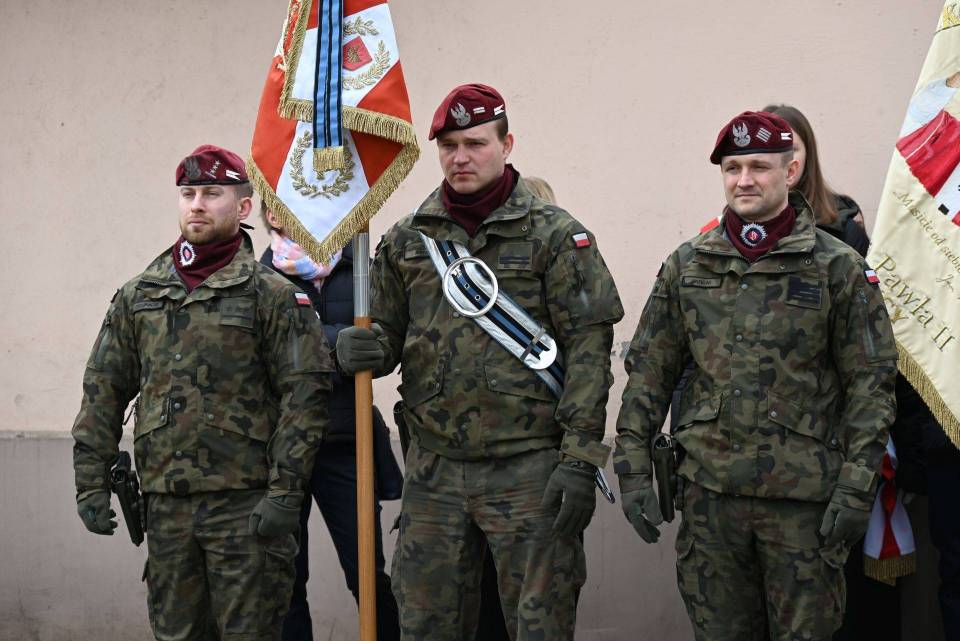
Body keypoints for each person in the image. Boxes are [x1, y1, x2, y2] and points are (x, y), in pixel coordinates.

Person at [336, 83, 623, 641]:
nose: (460, 158)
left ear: (506, 145)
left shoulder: (556, 236)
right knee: (425, 624)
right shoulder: (410, 239)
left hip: (530, 468)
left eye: (475, 143)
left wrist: (581, 456)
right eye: (448, 146)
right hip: (435, 470)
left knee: (538, 625)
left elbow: (590, 353)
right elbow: (390, 336)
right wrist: (363, 347)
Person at [614, 111, 898, 641]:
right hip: (710, 501)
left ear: (790, 172)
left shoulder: (836, 268)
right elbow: (649, 373)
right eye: (732, 168)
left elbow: (872, 384)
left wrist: (857, 486)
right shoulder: (688, 265)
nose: (743, 180)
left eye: (759, 167)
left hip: (802, 509)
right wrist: (631, 469)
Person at [71, 145, 333, 641]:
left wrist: (285, 492)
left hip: (245, 506)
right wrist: (90, 481)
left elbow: (304, 400)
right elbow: (103, 387)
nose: (197, 204)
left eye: (212, 193)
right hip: (166, 505)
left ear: (243, 206)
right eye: (188, 193)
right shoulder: (140, 294)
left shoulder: (272, 295)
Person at [258, 205, 403, 641]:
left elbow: (385, 336)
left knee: (369, 576)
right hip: (280, 450)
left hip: (346, 442)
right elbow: (263, 351)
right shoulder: (259, 277)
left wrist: (338, 345)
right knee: (285, 579)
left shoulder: (360, 269)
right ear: (272, 216)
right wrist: (338, 342)